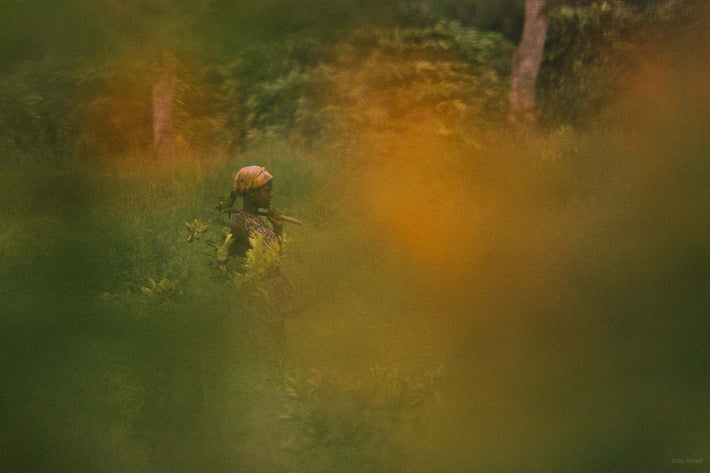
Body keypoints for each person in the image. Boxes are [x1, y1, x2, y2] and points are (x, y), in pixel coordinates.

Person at [226, 165, 285, 259]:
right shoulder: (236, 226)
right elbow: (230, 267)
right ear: (251, 193)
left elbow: (276, 258)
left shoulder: (259, 222)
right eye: (267, 191)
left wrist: (277, 228)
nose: (271, 195)